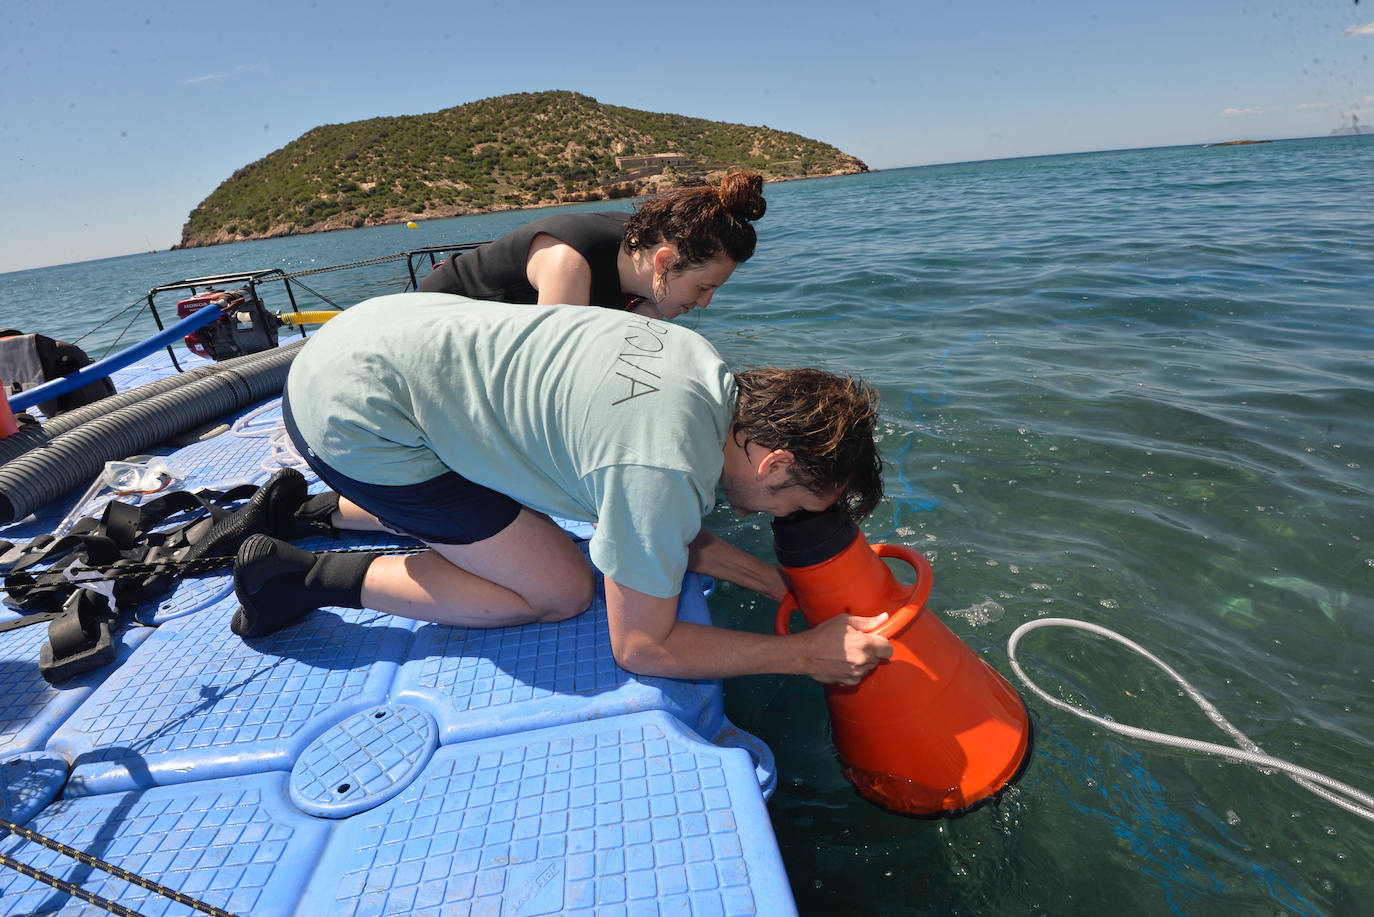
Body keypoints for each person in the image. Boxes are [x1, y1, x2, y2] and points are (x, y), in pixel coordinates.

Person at [231, 292, 893, 685]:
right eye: (793, 506)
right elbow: (643, 648)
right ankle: (298, 576)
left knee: (518, 506)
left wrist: (772, 583)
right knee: (561, 590)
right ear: (774, 464)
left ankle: (312, 512)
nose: (778, 519)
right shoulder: (661, 471)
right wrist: (802, 655)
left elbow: (653, 518)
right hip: (349, 423)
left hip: (361, 338)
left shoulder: (698, 363)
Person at [417, 171, 766, 321]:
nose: (705, 302)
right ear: (664, 262)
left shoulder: (643, 247)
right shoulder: (567, 265)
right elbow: (553, 377)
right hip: (439, 313)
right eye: (704, 288)